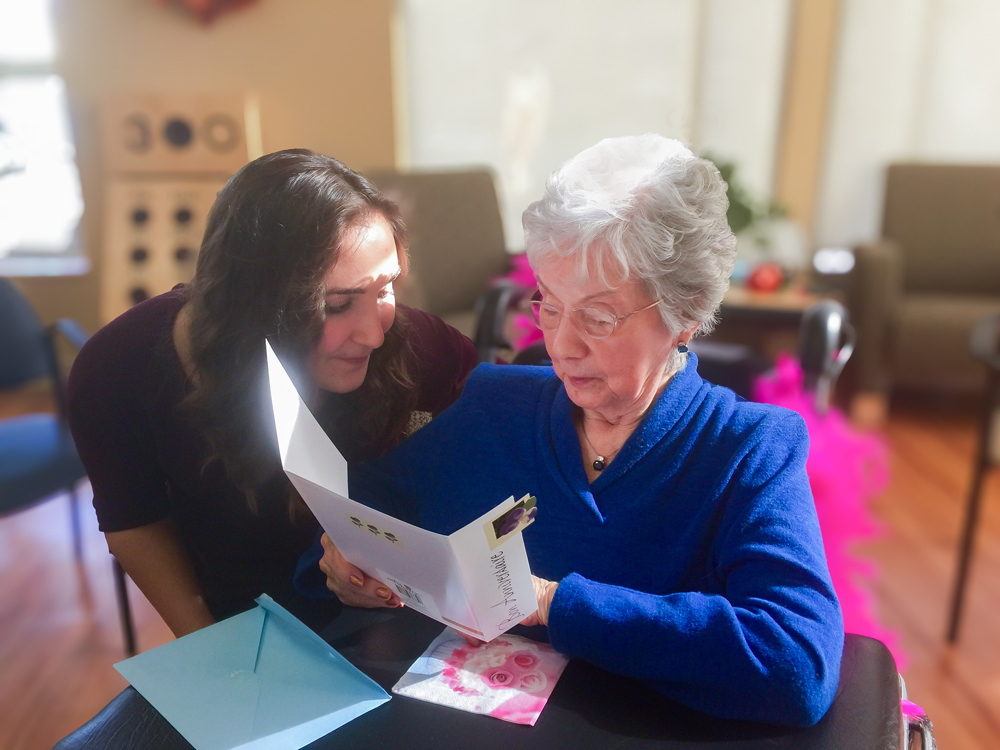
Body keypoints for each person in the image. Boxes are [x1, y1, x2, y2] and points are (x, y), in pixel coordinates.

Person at [304, 135, 844, 727]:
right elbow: (365, 508)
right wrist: (344, 561)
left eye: (598, 317)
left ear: (684, 314)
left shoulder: (750, 449)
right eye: (550, 305)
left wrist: (548, 604)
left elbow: (796, 664)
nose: (561, 346)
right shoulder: (497, 404)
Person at [68, 150, 477, 637]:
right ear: (251, 305)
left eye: (386, 288)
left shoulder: (419, 346)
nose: (373, 334)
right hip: (250, 624)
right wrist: (207, 644)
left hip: (407, 623)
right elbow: (133, 519)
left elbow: (505, 445)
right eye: (338, 304)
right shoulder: (116, 368)